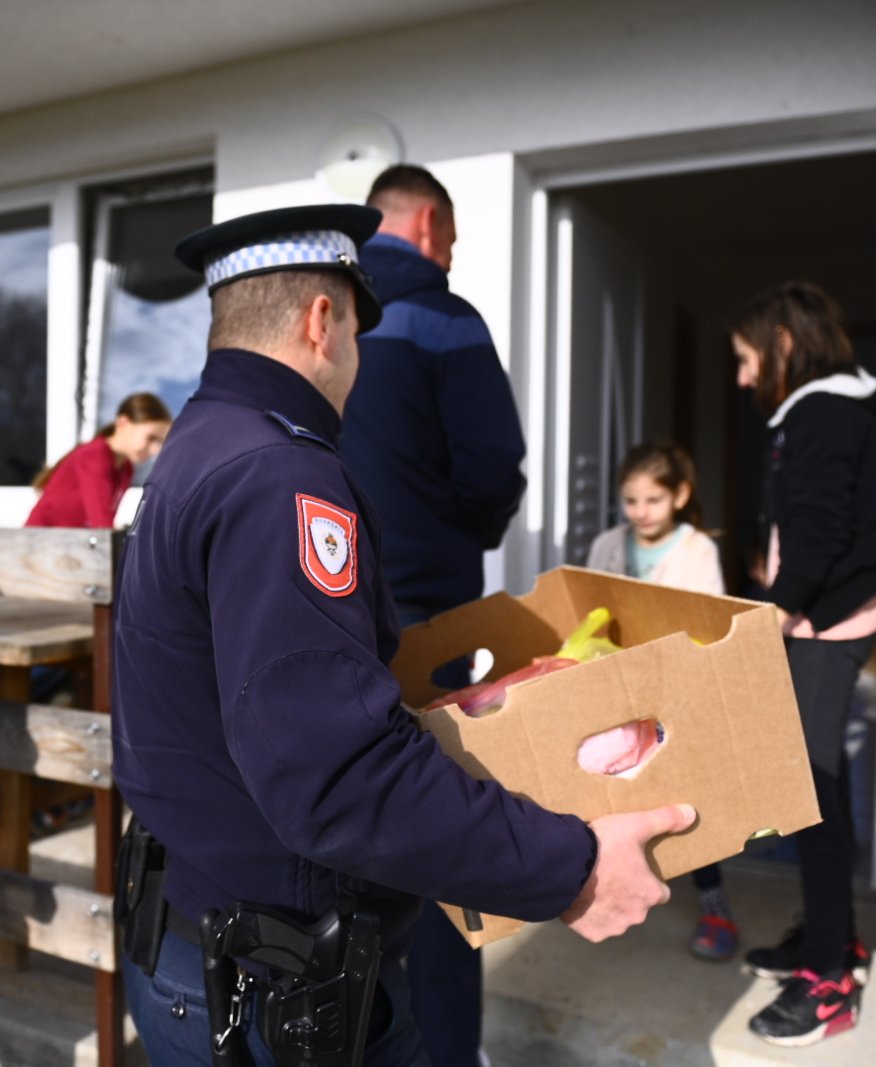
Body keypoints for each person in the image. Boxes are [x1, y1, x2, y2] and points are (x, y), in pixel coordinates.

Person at [112, 202, 696, 1066]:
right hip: (274, 985)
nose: (358, 363)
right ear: (323, 321)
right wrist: (571, 865)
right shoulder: (282, 475)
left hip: (193, 943)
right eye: (359, 332)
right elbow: (337, 775)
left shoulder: (195, 445)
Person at [339, 163, 528, 1066]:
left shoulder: (326, 318)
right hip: (428, 607)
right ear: (423, 223)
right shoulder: (445, 318)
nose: (450, 255)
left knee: (354, 820)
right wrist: (464, 533)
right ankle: (448, 1049)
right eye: (448, 236)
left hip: (331, 611)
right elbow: (493, 462)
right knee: (448, 829)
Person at [728, 281, 876, 1047]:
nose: (741, 378)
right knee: (805, 783)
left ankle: (830, 975)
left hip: (824, 625)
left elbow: (822, 523)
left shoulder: (824, 413)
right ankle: (826, 933)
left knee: (814, 787)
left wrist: (781, 606)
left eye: (744, 359)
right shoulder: (815, 413)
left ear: (780, 344)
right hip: (817, 619)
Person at [586, 442, 740, 962]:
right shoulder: (609, 544)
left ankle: (713, 898)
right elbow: (592, 614)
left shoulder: (697, 551)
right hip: (615, 695)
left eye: (653, 500)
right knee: (611, 792)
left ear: (680, 495)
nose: (640, 512)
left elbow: (704, 627)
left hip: (674, 696)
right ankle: (607, 889)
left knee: (684, 796)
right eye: (631, 500)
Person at [24, 392, 171, 528]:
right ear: (123, 424)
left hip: (68, 543)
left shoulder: (126, 468)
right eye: (151, 438)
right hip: (39, 541)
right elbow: (101, 523)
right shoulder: (95, 455)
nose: (155, 450)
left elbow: (104, 521)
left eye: (161, 442)